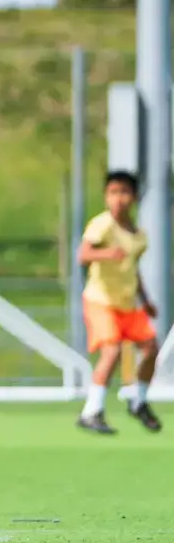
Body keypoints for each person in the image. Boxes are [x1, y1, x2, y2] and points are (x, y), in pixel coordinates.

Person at [76, 170, 160, 436]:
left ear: (134, 197)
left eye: (124, 193)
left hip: (126, 303)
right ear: (106, 196)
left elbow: (132, 270)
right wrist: (105, 253)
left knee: (150, 349)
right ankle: (91, 411)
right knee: (111, 352)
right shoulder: (102, 225)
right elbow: (84, 254)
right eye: (113, 193)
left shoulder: (138, 236)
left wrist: (145, 300)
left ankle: (139, 401)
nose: (118, 199)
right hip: (100, 300)